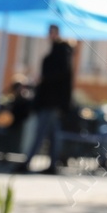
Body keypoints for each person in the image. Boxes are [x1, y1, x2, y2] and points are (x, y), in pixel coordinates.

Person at [23, 25, 75, 173]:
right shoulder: (59, 53)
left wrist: (44, 78)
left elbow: (57, 76)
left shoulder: (60, 53)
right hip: (51, 101)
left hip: (51, 101)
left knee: (41, 133)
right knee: (53, 134)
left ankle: (27, 161)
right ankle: (52, 164)